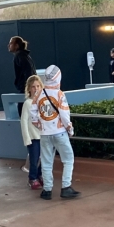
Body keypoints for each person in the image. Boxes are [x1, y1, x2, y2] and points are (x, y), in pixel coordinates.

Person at [31, 64, 80, 200]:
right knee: (68, 159)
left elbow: (33, 113)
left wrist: (40, 125)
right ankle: (66, 187)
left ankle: (47, 190)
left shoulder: (38, 94)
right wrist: (69, 128)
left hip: (44, 134)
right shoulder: (59, 94)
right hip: (60, 132)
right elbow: (64, 114)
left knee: (46, 162)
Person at [20, 75, 43, 190]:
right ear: (29, 88)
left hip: (43, 136)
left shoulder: (42, 102)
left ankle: (39, 175)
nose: (36, 89)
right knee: (34, 160)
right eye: (33, 87)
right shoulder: (27, 103)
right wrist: (26, 138)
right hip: (33, 138)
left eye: (38, 86)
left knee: (43, 159)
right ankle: (32, 178)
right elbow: (24, 121)